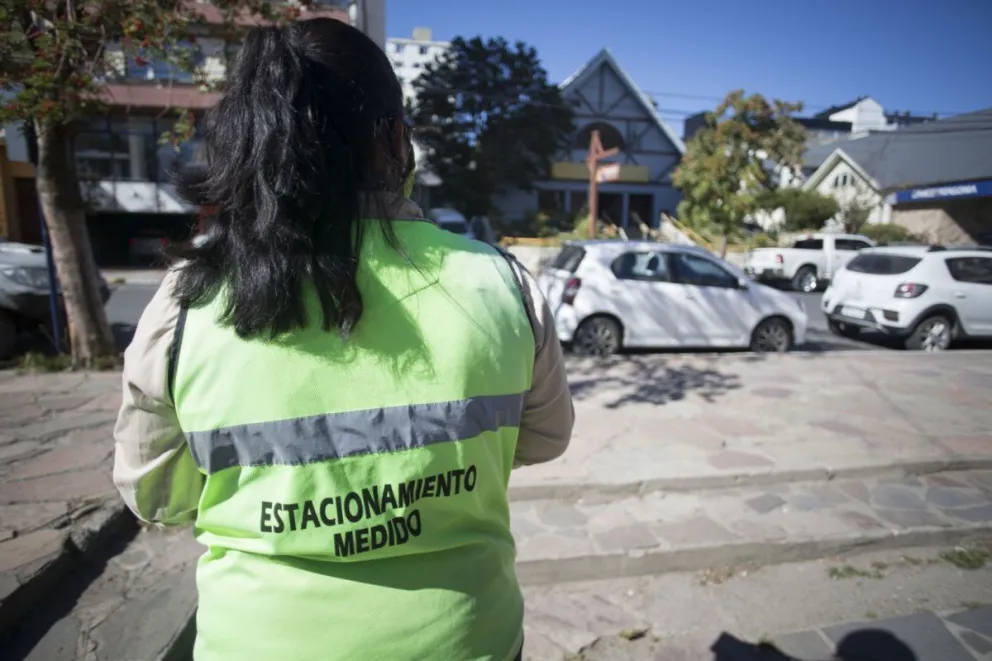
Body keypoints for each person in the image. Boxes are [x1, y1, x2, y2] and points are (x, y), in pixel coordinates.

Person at [112, 18, 573, 661]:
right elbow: (545, 440)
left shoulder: (186, 302)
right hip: (470, 641)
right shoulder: (503, 282)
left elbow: (156, 498)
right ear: (393, 140)